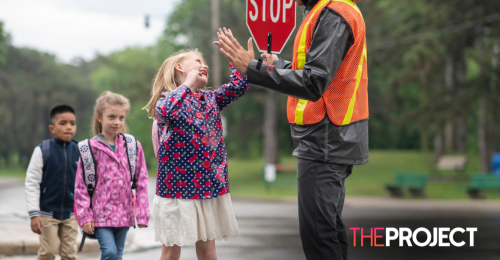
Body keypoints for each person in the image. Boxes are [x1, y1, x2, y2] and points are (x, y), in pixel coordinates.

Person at [214, 0, 368, 259]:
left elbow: (313, 83)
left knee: (320, 238)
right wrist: (273, 64)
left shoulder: (333, 13)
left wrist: (253, 69)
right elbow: (313, 74)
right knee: (326, 233)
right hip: (327, 139)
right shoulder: (330, 10)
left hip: (326, 140)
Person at [142, 49, 247, 260]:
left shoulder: (211, 99)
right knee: (171, 251)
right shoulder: (168, 98)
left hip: (208, 186)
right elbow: (164, 112)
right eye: (198, 61)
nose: (205, 65)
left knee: (208, 252)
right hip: (176, 189)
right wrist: (187, 86)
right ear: (179, 68)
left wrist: (235, 61)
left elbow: (238, 87)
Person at [74, 91, 150, 260]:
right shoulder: (88, 149)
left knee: (118, 255)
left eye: (121, 118)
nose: (117, 122)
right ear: (99, 117)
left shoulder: (132, 146)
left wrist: (142, 214)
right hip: (99, 215)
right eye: (112, 117)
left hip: (125, 214)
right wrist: (85, 216)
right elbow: (81, 187)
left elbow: (142, 182)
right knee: (109, 253)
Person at [25, 105, 79, 260]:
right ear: (52, 128)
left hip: (71, 213)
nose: (68, 127)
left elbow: (87, 185)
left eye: (72, 123)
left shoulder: (80, 151)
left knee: (69, 254)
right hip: (47, 213)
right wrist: (34, 214)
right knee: (48, 252)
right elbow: (32, 183)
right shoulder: (43, 150)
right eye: (63, 123)